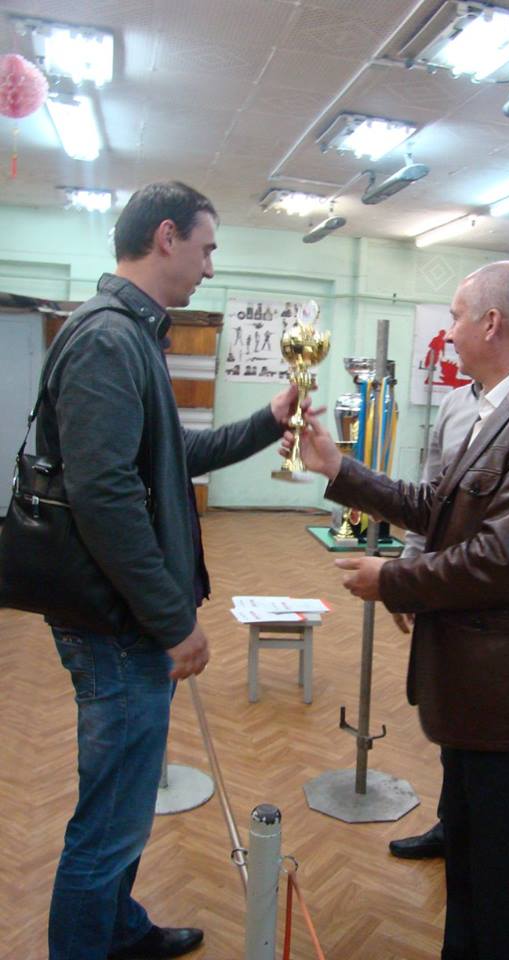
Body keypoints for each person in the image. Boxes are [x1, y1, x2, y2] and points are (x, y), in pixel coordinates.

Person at [284, 260, 509, 960]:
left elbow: (500, 560)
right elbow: (437, 507)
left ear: (491, 322)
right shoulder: (501, 408)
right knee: (469, 865)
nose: (448, 332)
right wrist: (339, 469)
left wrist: (394, 580)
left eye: (456, 316)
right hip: (481, 690)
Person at [37, 181, 311, 960]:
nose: (211, 265)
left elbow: (169, 456)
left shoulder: (132, 335)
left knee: (122, 813)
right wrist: (172, 620)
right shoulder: (108, 339)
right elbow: (105, 496)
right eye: (206, 247)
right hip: (118, 624)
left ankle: (118, 932)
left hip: (126, 620)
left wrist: (269, 423)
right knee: (108, 825)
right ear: (166, 237)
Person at [388, 380, 481, 861]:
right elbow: (431, 499)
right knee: (452, 717)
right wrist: (409, 566)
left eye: (457, 339)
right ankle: (452, 826)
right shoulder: (455, 403)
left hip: (495, 606)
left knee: (486, 730)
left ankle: (487, 839)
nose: (450, 342)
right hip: (445, 591)